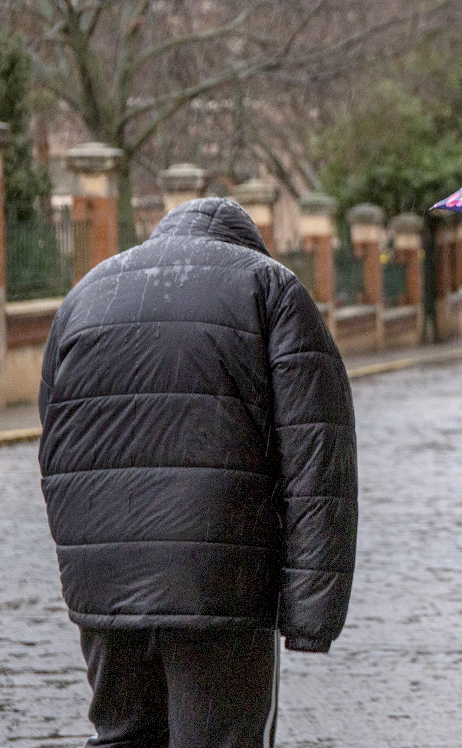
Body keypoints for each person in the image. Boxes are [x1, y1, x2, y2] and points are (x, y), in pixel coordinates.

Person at [38, 197, 358, 748]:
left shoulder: (86, 293)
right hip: (219, 581)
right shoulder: (271, 288)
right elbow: (316, 458)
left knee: (122, 737)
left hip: (104, 580)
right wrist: (311, 610)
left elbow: (54, 437)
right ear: (249, 239)